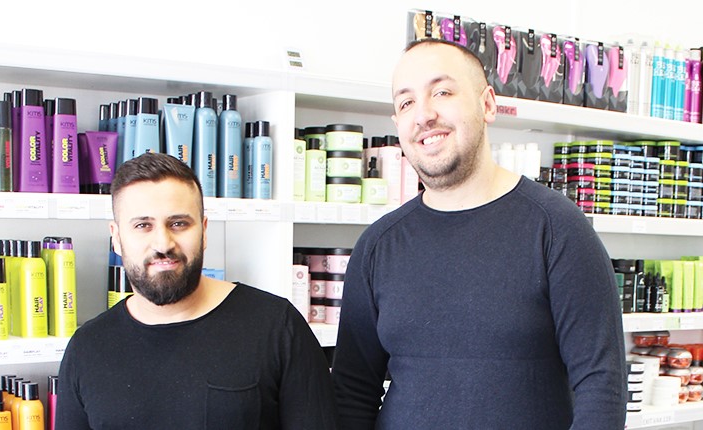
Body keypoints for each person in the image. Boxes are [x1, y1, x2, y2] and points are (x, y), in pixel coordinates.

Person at [331, 39, 627, 429]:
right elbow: (352, 392)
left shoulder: (558, 230)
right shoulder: (377, 246)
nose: (424, 115)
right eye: (406, 103)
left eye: (442, 92)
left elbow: (601, 386)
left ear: (487, 104)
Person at [56, 152, 337, 429]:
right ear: (117, 238)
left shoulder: (276, 326)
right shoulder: (87, 348)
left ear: (203, 231)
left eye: (178, 224)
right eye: (143, 225)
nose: (163, 243)